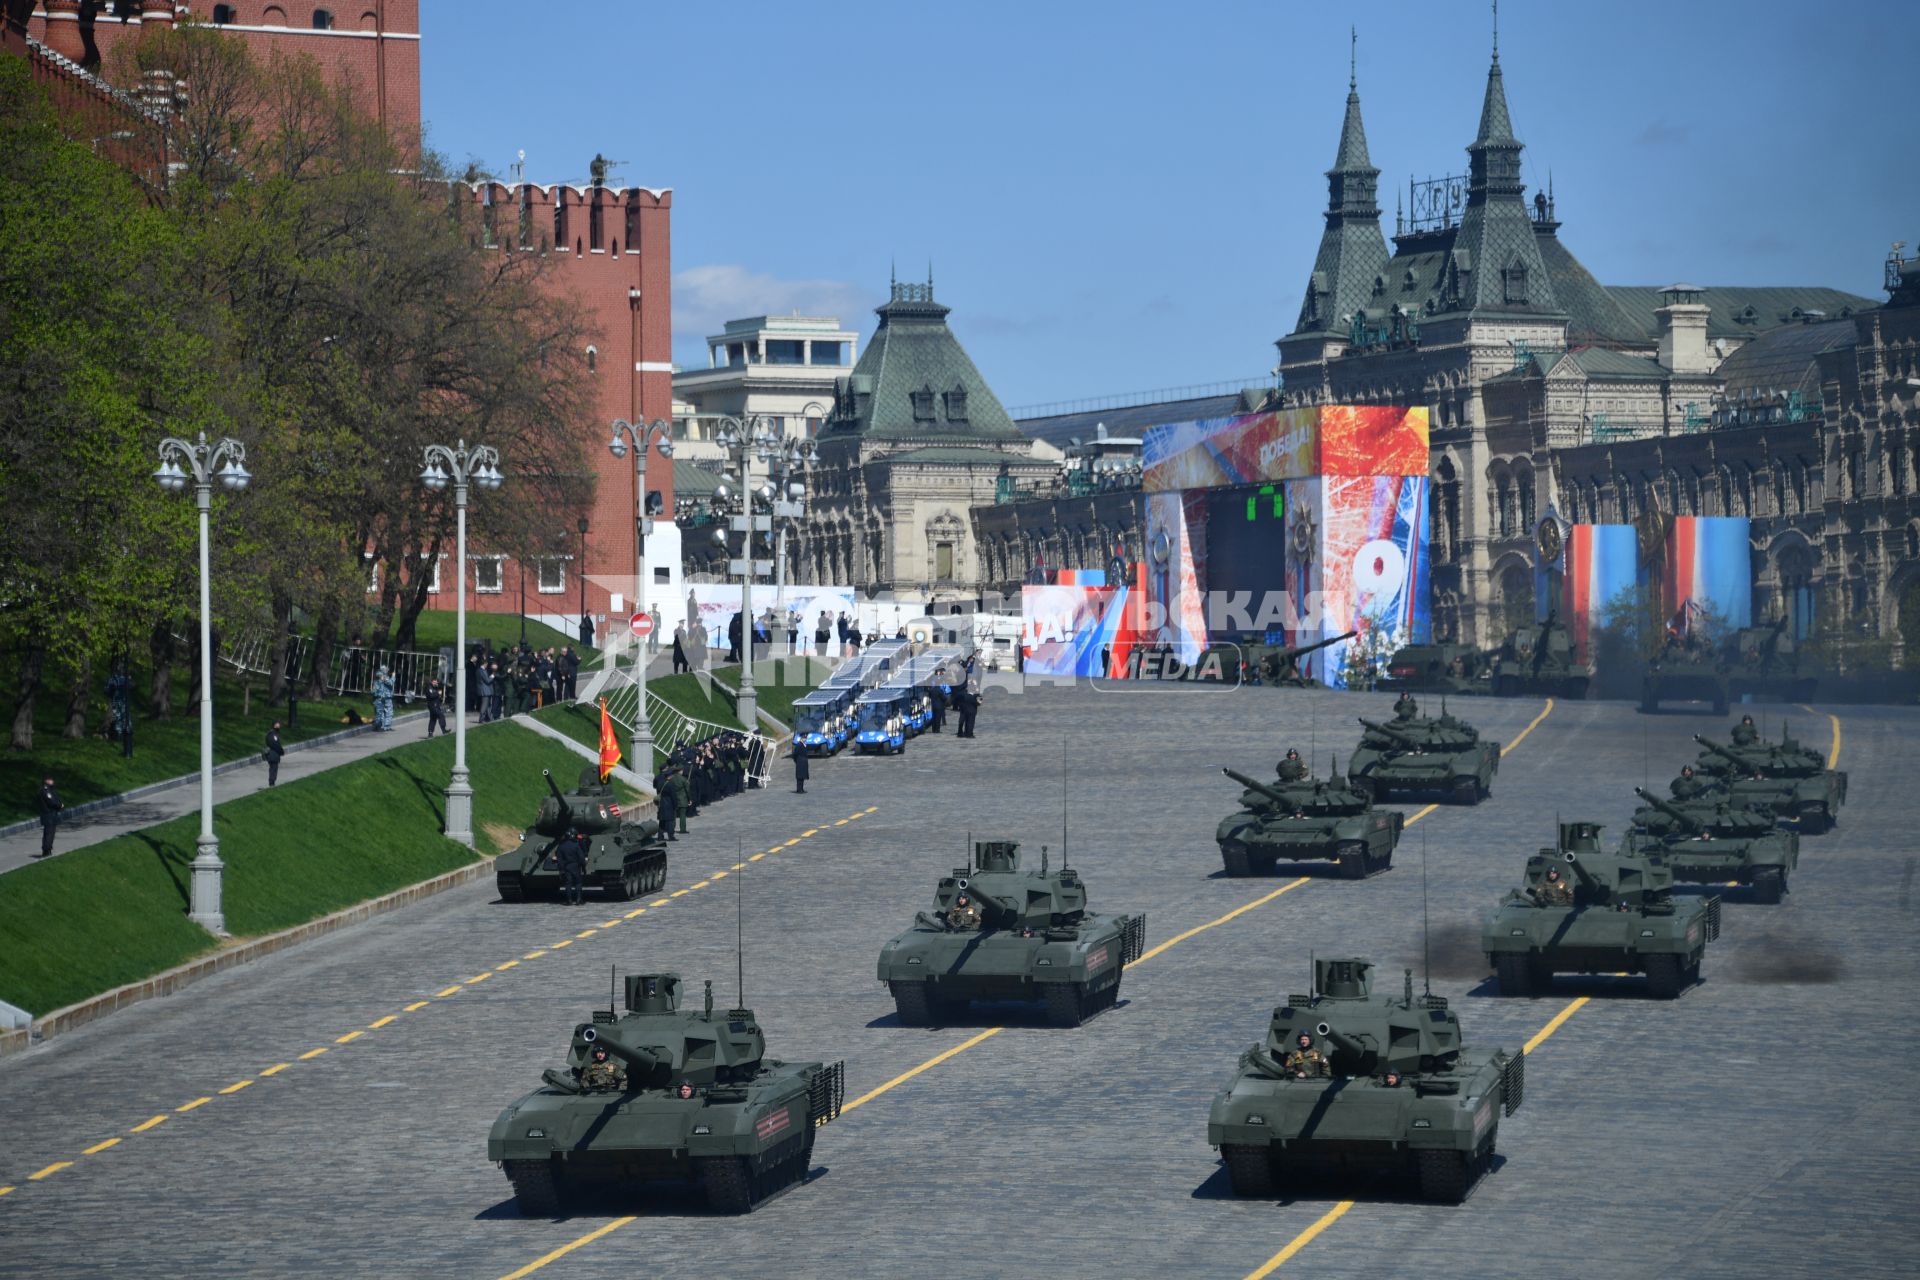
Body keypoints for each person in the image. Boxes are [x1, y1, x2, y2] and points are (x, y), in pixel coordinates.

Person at [555, 828, 588, 906]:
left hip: (566, 867)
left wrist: (561, 869)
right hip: (576, 866)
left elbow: (559, 859)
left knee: (568, 884)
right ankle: (578, 900)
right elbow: (581, 858)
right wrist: (583, 866)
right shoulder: (576, 846)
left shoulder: (561, 846)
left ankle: (569, 900)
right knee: (578, 883)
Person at [34, 776, 62, 858]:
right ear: (46, 781)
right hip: (48, 814)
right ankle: (46, 850)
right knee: (49, 833)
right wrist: (60, 805)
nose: (52, 781)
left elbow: (56, 798)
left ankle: (48, 849)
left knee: (51, 833)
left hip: (52, 814)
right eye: (50, 780)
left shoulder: (50, 790)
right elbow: (51, 802)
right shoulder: (45, 791)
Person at [653, 764, 679, 840]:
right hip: (669, 804)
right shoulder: (670, 784)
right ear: (670, 776)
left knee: (662, 821)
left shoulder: (660, 783)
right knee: (670, 821)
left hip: (661, 803)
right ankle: (671, 836)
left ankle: (660, 836)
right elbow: (673, 796)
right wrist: (675, 805)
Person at [371, 666, 395, 731]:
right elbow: (391, 683)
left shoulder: (381, 677)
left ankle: (386, 726)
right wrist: (393, 676)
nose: (387, 670)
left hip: (387, 697)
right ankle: (379, 726)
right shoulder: (382, 677)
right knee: (380, 713)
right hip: (381, 697)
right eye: (386, 670)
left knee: (388, 712)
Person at [265, 722, 285, 786]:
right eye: (277, 726)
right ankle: (272, 782)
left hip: (272, 754)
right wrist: (281, 751)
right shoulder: (273, 734)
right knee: (273, 769)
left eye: (279, 726)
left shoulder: (272, 734)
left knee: (273, 768)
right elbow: (275, 745)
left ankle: (272, 782)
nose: (278, 727)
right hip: (273, 754)